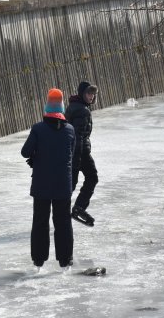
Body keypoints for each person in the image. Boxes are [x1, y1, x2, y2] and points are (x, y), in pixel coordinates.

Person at [21, 88, 75, 270]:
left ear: (46, 107)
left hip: (42, 184)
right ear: (61, 108)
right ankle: (65, 259)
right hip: (63, 183)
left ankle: (38, 260)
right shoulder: (70, 130)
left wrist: (37, 155)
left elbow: (25, 152)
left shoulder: (38, 129)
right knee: (63, 222)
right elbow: (71, 154)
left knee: (40, 221)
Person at [66, 81, 99, 227]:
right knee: (92, 177)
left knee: (71, 183)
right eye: (88, 93)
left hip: (73, 152)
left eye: (93, 94)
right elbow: (78, 135)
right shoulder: (82, 111)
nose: (91, 96)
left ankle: (62, 210)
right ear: (82, 94)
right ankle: (79, 207)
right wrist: (77, 158)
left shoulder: (74, 107)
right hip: (80, 152)